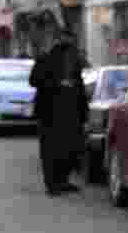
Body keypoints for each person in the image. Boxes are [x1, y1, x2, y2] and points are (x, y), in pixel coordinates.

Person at [29, 27, 88, 196]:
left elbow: (80, 85)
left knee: (71, 149)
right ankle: (52, 184)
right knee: (51, 150)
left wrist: (84, 111)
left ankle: (63, 180)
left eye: (70, 40)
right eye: (64, 39)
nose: (68, 43)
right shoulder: (45, 58)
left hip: (71, 112)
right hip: (50, 112)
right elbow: (34, 80)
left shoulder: (74, 59)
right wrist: (58, 84)